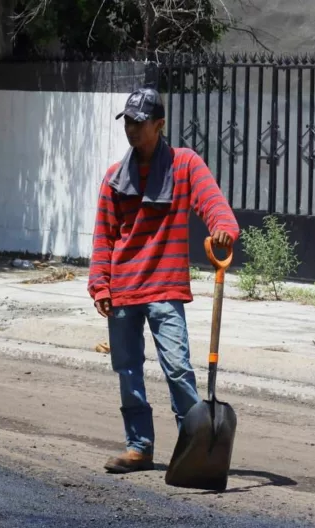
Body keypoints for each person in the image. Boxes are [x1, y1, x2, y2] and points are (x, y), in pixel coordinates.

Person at [89, 87, 239, 474]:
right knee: (127, 371)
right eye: (129, 123)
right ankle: (139, 447)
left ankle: (193, 447)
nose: (133, 131)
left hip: (165, 286)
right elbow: (104, 236)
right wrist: (100, 285)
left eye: (141, 124)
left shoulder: (185, 165)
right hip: (122, 287)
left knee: (177, 368)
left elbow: (214, 205)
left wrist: (223, 229)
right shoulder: (113, 178)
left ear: (160, 124)